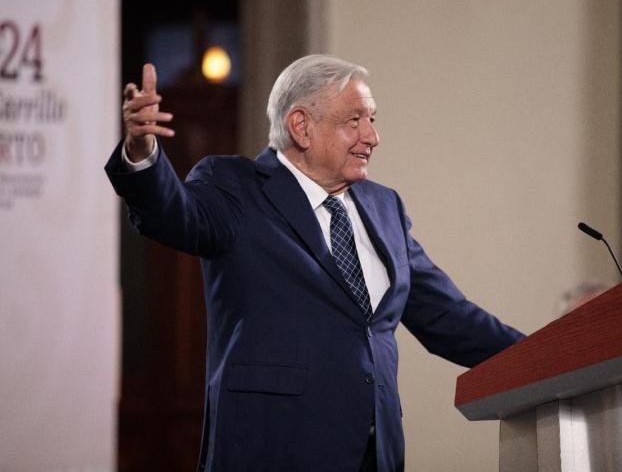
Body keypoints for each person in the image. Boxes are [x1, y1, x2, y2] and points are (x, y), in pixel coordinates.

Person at [106, 55, 524, 472]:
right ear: (301, 126)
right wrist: (142, 152)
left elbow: (448, 316)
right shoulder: (235, 187)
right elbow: (173, 214)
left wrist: (543, 356)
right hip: (272, 450)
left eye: (372, 119)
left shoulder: (385, 206)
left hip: (374, 454)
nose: (372, 136)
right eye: (354, 121)